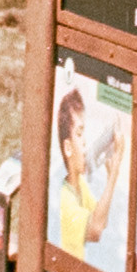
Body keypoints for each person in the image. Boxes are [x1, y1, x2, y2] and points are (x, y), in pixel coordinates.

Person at [55, 83, 126, 258]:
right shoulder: (66, 200)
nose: (85, 143)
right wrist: (114, 174)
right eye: (79, 134)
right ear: (68, 148)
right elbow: (95, 230)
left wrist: (110, 172)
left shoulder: (77, 184)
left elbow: (101, 220)